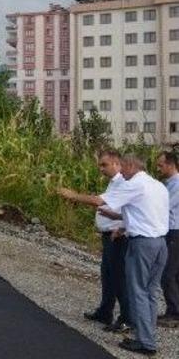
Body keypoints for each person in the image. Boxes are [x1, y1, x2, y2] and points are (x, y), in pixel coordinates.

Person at [59, 153, 169, 355]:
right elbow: (148, 214)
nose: (121, 172)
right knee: (151, 292)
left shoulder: (134, 184)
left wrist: (73, 195)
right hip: (160, 243)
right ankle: (147, 335)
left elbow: (98, 201)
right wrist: (125, 224)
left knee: (138, 291)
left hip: (142, 244)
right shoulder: (157, 185)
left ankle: (145, 342)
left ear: (130, 165)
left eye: (123, 167)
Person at [63, 149, 131, 332]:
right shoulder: (113, 183)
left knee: (119, 277)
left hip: (118, 236)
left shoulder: (123, 183)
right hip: (109, 236)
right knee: (107, 275)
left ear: (117, 164)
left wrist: (74, 195)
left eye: (104, 165)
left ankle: (127, 318)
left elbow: (98, 201)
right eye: (100, 165)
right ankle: (105, 311)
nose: (101, 169)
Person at [157, 151, 179, 328]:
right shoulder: (168, 183)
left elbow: (164, 206)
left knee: (168, 274)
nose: (158, 168)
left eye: (161, 165)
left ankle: (174, 313)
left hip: (174, 232)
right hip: (171, 232)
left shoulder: (177, 184)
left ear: (171, 165)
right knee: (175, 273)